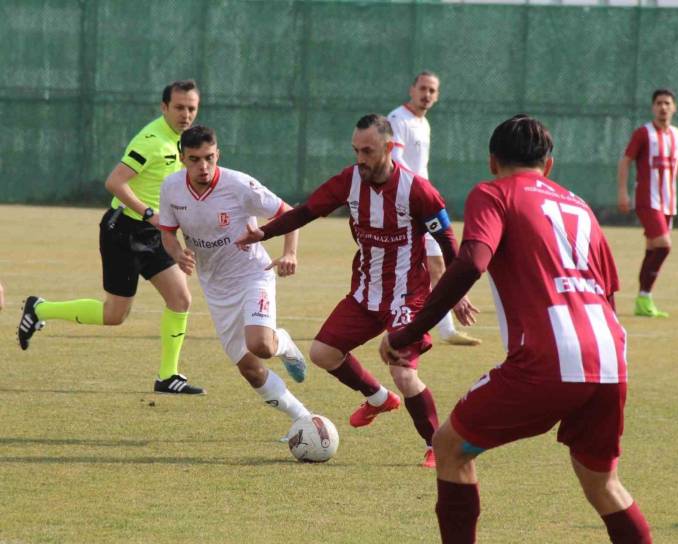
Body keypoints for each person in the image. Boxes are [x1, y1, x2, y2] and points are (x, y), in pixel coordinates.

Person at [380, 115, 652, 543]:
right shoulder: (578, 205)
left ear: (492, 161)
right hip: (609, 358)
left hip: (547, 359)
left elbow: (471, 260)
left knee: (449, 447)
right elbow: (608, 293)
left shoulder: (493, 193)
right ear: (549, 164)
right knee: (603, 484)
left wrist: (410, 331)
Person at [236, 114, 477, 468]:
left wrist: (457, 293)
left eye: (368, 151)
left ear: (390, 148)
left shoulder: (418, 191)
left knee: (404, 372)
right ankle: (378, 398)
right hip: (365, 293)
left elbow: (447, 239)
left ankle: (437, 445)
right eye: (356, 150)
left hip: (408, 297)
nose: (360, 158)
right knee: (322, 352)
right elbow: (306, 212)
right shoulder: (349, 181)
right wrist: (265, 234)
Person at [18, 80, 205, 394]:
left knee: (181, 298)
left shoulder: (186, 144)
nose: (185, 114)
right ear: (164, 108)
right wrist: (149, 214)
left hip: (153, 233)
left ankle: (167, 376)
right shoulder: (151, 141)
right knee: (114, 315)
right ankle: (40, 308)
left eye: (191, 108)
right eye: (179, 107)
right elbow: (115, 182)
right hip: (124, 231)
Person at [159, 125, 310, 429]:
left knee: (262, 345)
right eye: (194, 159)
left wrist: (290, 253)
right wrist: (177, 253)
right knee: (250, 369)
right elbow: (167, 232)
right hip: (215, 288)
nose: (203, 166)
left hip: (253, 274)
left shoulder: (240, 185)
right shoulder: (171, 188)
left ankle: (285, 344)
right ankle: (303, 419)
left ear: (218, 154)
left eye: (209, 158)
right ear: (182, 158)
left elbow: (287, 213)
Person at [388, 71, 480, 346]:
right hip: (408, 203)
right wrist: (420, 189)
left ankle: (445, 329)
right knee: (415, 265)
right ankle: (414, 322)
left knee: (435, 263)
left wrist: (427, 190)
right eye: (423, 89)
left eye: (432, 91)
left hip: (422, 202)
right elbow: (395, 159)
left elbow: (419, 166)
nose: (427, 94)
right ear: (411, 89)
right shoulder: (397, 119)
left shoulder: (423, 122)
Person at [617, 88, 678, 318]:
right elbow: (625, 161)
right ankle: (644, 295)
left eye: (667, 103)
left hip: (668, 202)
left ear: (674, 107)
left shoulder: (677, 135)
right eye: (659, 103)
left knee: (653, 249)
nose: (663, 107)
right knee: (664, 245)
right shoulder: (643, 133)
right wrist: (623, 193)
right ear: (653, 107)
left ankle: (643, 301)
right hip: (647, 200)